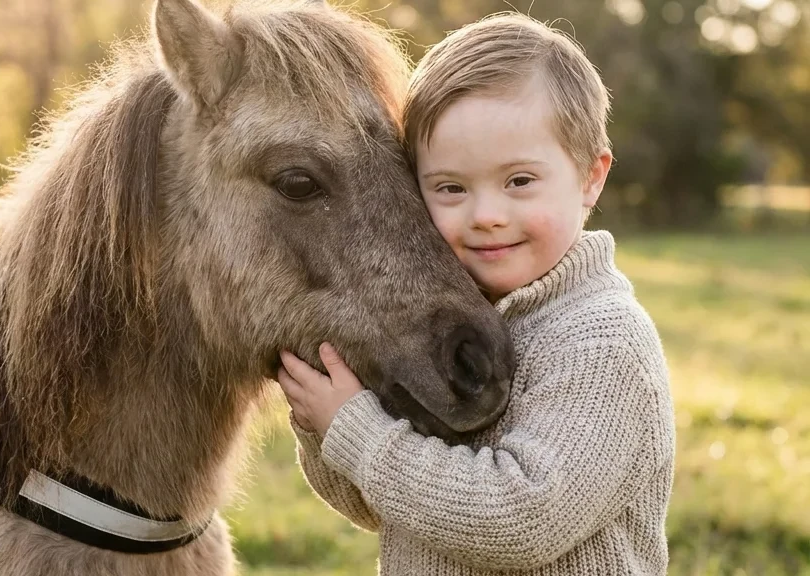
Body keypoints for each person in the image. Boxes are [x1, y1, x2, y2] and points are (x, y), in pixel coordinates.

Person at [276, 12, 675, 575]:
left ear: (591, 176)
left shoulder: (603, 346)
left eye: (519, 181)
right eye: (451, 188)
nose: (486, 216)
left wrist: (358, 431)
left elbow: (520, 523)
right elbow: (379, 506)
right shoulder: (446, 327)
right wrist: (324, 422)